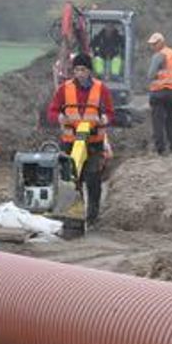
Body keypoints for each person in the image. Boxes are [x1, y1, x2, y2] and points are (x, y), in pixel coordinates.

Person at [46, 52, 114, 225]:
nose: (79, 73)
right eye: (76, 70)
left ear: (89, 71)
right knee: (72, 180)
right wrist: (59, 118)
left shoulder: (101, 89)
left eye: (83, 69)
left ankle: (92, 216)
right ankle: (75, 214)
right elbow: (52, 111)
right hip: (70, 142)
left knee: (93, 179)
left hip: (93, 143)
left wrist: (104, 119)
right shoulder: (64, 89)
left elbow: (110, 112)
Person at [146, 32, 172, 155]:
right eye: (151, 44)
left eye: (154, 44)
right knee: (170, 120)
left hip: (159, 92)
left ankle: (161, 149)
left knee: (158, 121)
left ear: (161, 42)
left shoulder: (159, 56)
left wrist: (155, 76)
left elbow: (150, 75)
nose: (152, 46)